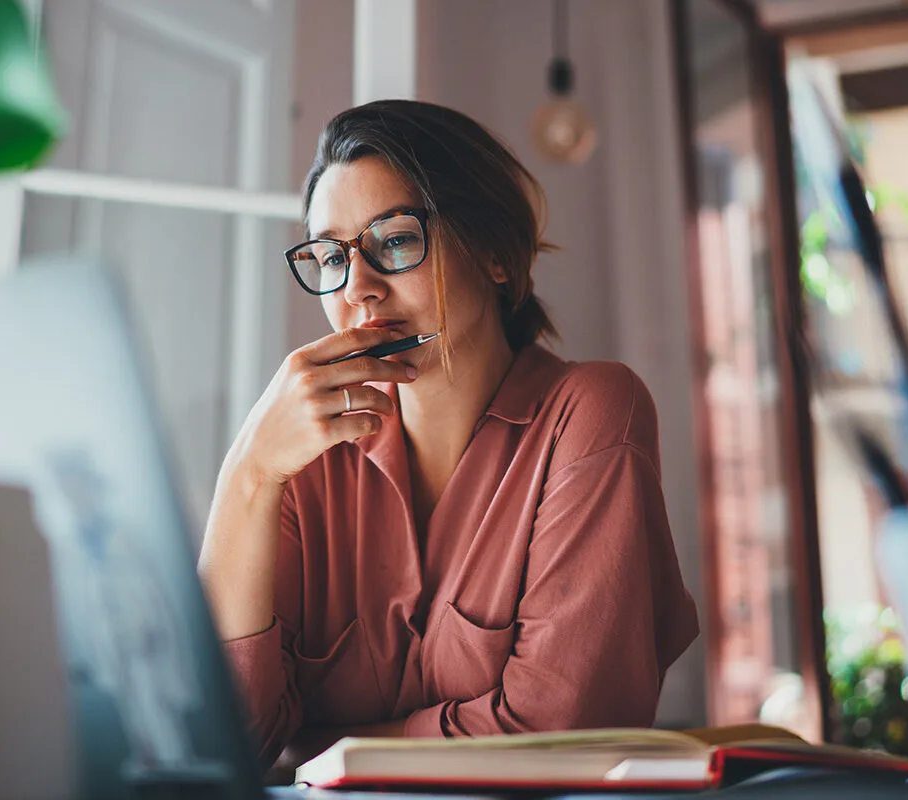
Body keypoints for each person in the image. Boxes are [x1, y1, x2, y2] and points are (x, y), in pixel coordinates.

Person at [198, 99, 699, 771]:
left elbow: (557, 731)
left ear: (492, 252)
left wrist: (318, 752)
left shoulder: (590, 412)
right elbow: (221, 744)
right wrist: (248, 475)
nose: (360, 291)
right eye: (331, 257)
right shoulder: (301, 461)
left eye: (396, 240)